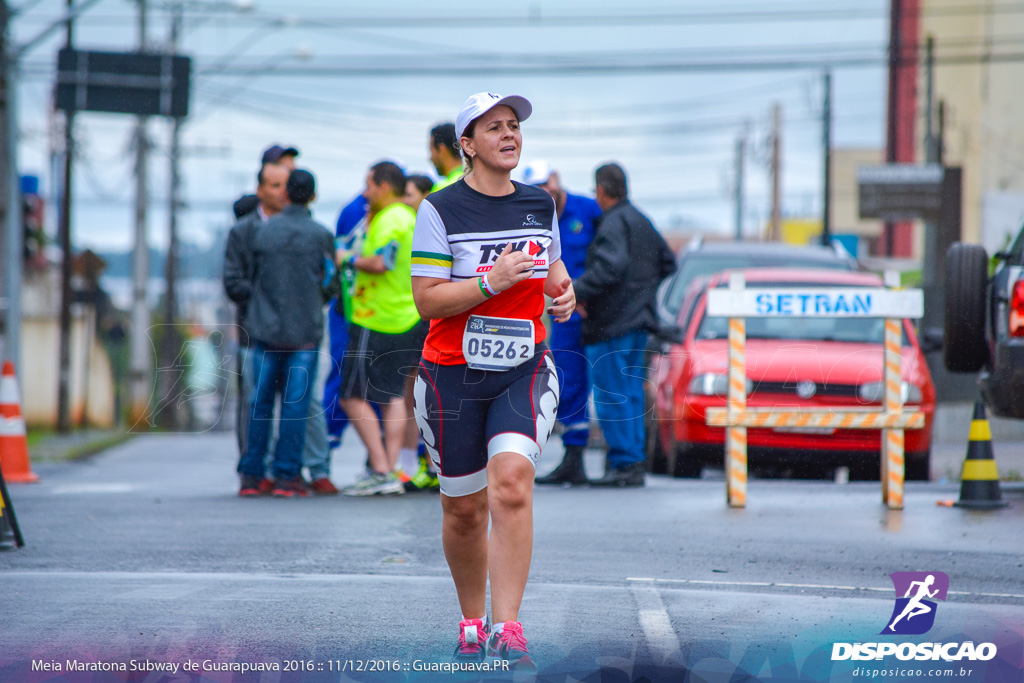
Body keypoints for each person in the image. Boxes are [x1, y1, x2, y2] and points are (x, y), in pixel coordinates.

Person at [411, 92, 575, 669]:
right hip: (450, 375)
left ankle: (508, 626)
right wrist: (490, 281)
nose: (509, 136)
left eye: (514, 127)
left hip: (522, 369)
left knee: (511, 482)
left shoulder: (539, 205)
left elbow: (552, 267)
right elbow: (427, 302)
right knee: (462, 508)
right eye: (494, 128)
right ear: (467, 145)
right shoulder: (439, 210)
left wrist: (563, 292)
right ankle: (472, 621)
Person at [573, 163, 675, 488]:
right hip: (639, 323)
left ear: (601, 190)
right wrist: (641, 291)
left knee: (611, 393)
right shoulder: (642, 220)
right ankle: (633, 463)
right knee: (629, 392)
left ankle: (623, 463)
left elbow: (610, 267)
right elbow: (668, 261)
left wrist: (572, 292)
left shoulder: (613, 222)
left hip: (611, 325)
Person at [236, 169, 336, 497]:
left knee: (259, 403)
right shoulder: (320, 235)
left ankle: (252, 476)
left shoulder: (263, 233)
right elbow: (330, 281)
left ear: (286, 195)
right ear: (313, 196)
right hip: (304, 332)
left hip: (264, 329)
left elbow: (247, 278)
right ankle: (287, 477)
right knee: (295, 405)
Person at [337, 161, 428, 496]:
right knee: (392, 396)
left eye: (370, 185)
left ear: (384, 186)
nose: (366, 192)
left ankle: (380, 467)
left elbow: (381, 262)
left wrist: (346, 257)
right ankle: (391, 471)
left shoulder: (391, 219)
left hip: (376, 317)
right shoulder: (408, 217)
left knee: (350, 395)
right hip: (406, 316)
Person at [521, 161, 602, 486]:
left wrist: (592, 296)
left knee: (612, 383)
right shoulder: (533, 214)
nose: (545, 192)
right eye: (537, 188)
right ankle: (574, 455)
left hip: (595, 309)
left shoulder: (589, 209)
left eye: (547, 184)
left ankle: (625, 461)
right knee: (567, 379)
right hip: (563, 312)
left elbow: (611, 252)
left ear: (556, 180)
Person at [428, 123, 463, 191]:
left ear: (442, 149)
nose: (430, 159)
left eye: (431, 151)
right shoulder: (474, 181)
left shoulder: (442, 189)